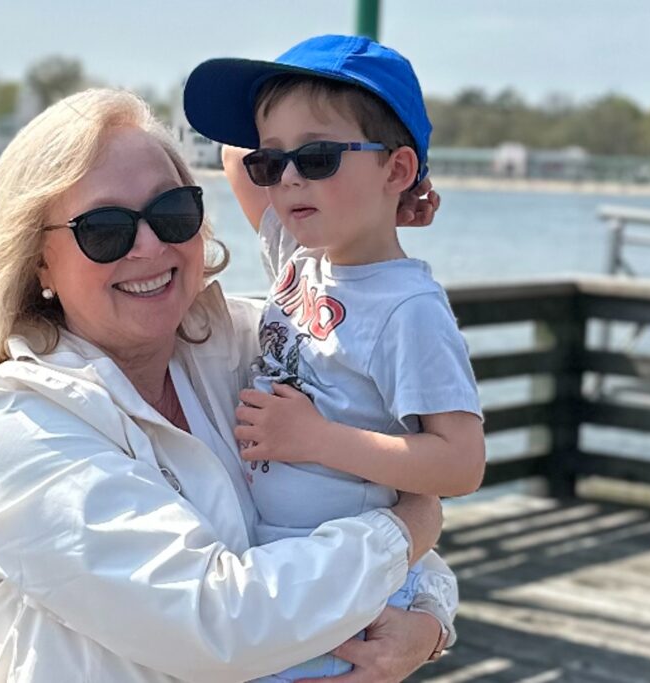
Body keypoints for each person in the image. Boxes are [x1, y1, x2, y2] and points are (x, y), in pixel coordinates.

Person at [0, 87, 458, 683]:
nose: (150, 244)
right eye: (104, 229)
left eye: (172, 213)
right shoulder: (23, 420)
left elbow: (357, 515)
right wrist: (407, 529)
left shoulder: (255, 344)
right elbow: (217, 627)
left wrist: (427, 622)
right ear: (37, 260)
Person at [183, 35, 486, 682]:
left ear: (395, 168)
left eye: (317, 156)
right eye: (277, 163)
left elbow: (461, 462)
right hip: (274, 564)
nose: (288, 177)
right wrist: (390, 189)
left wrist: (316, 439)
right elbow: (237, 152)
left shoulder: (409, 310)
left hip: (350, 582)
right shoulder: (300, 257)